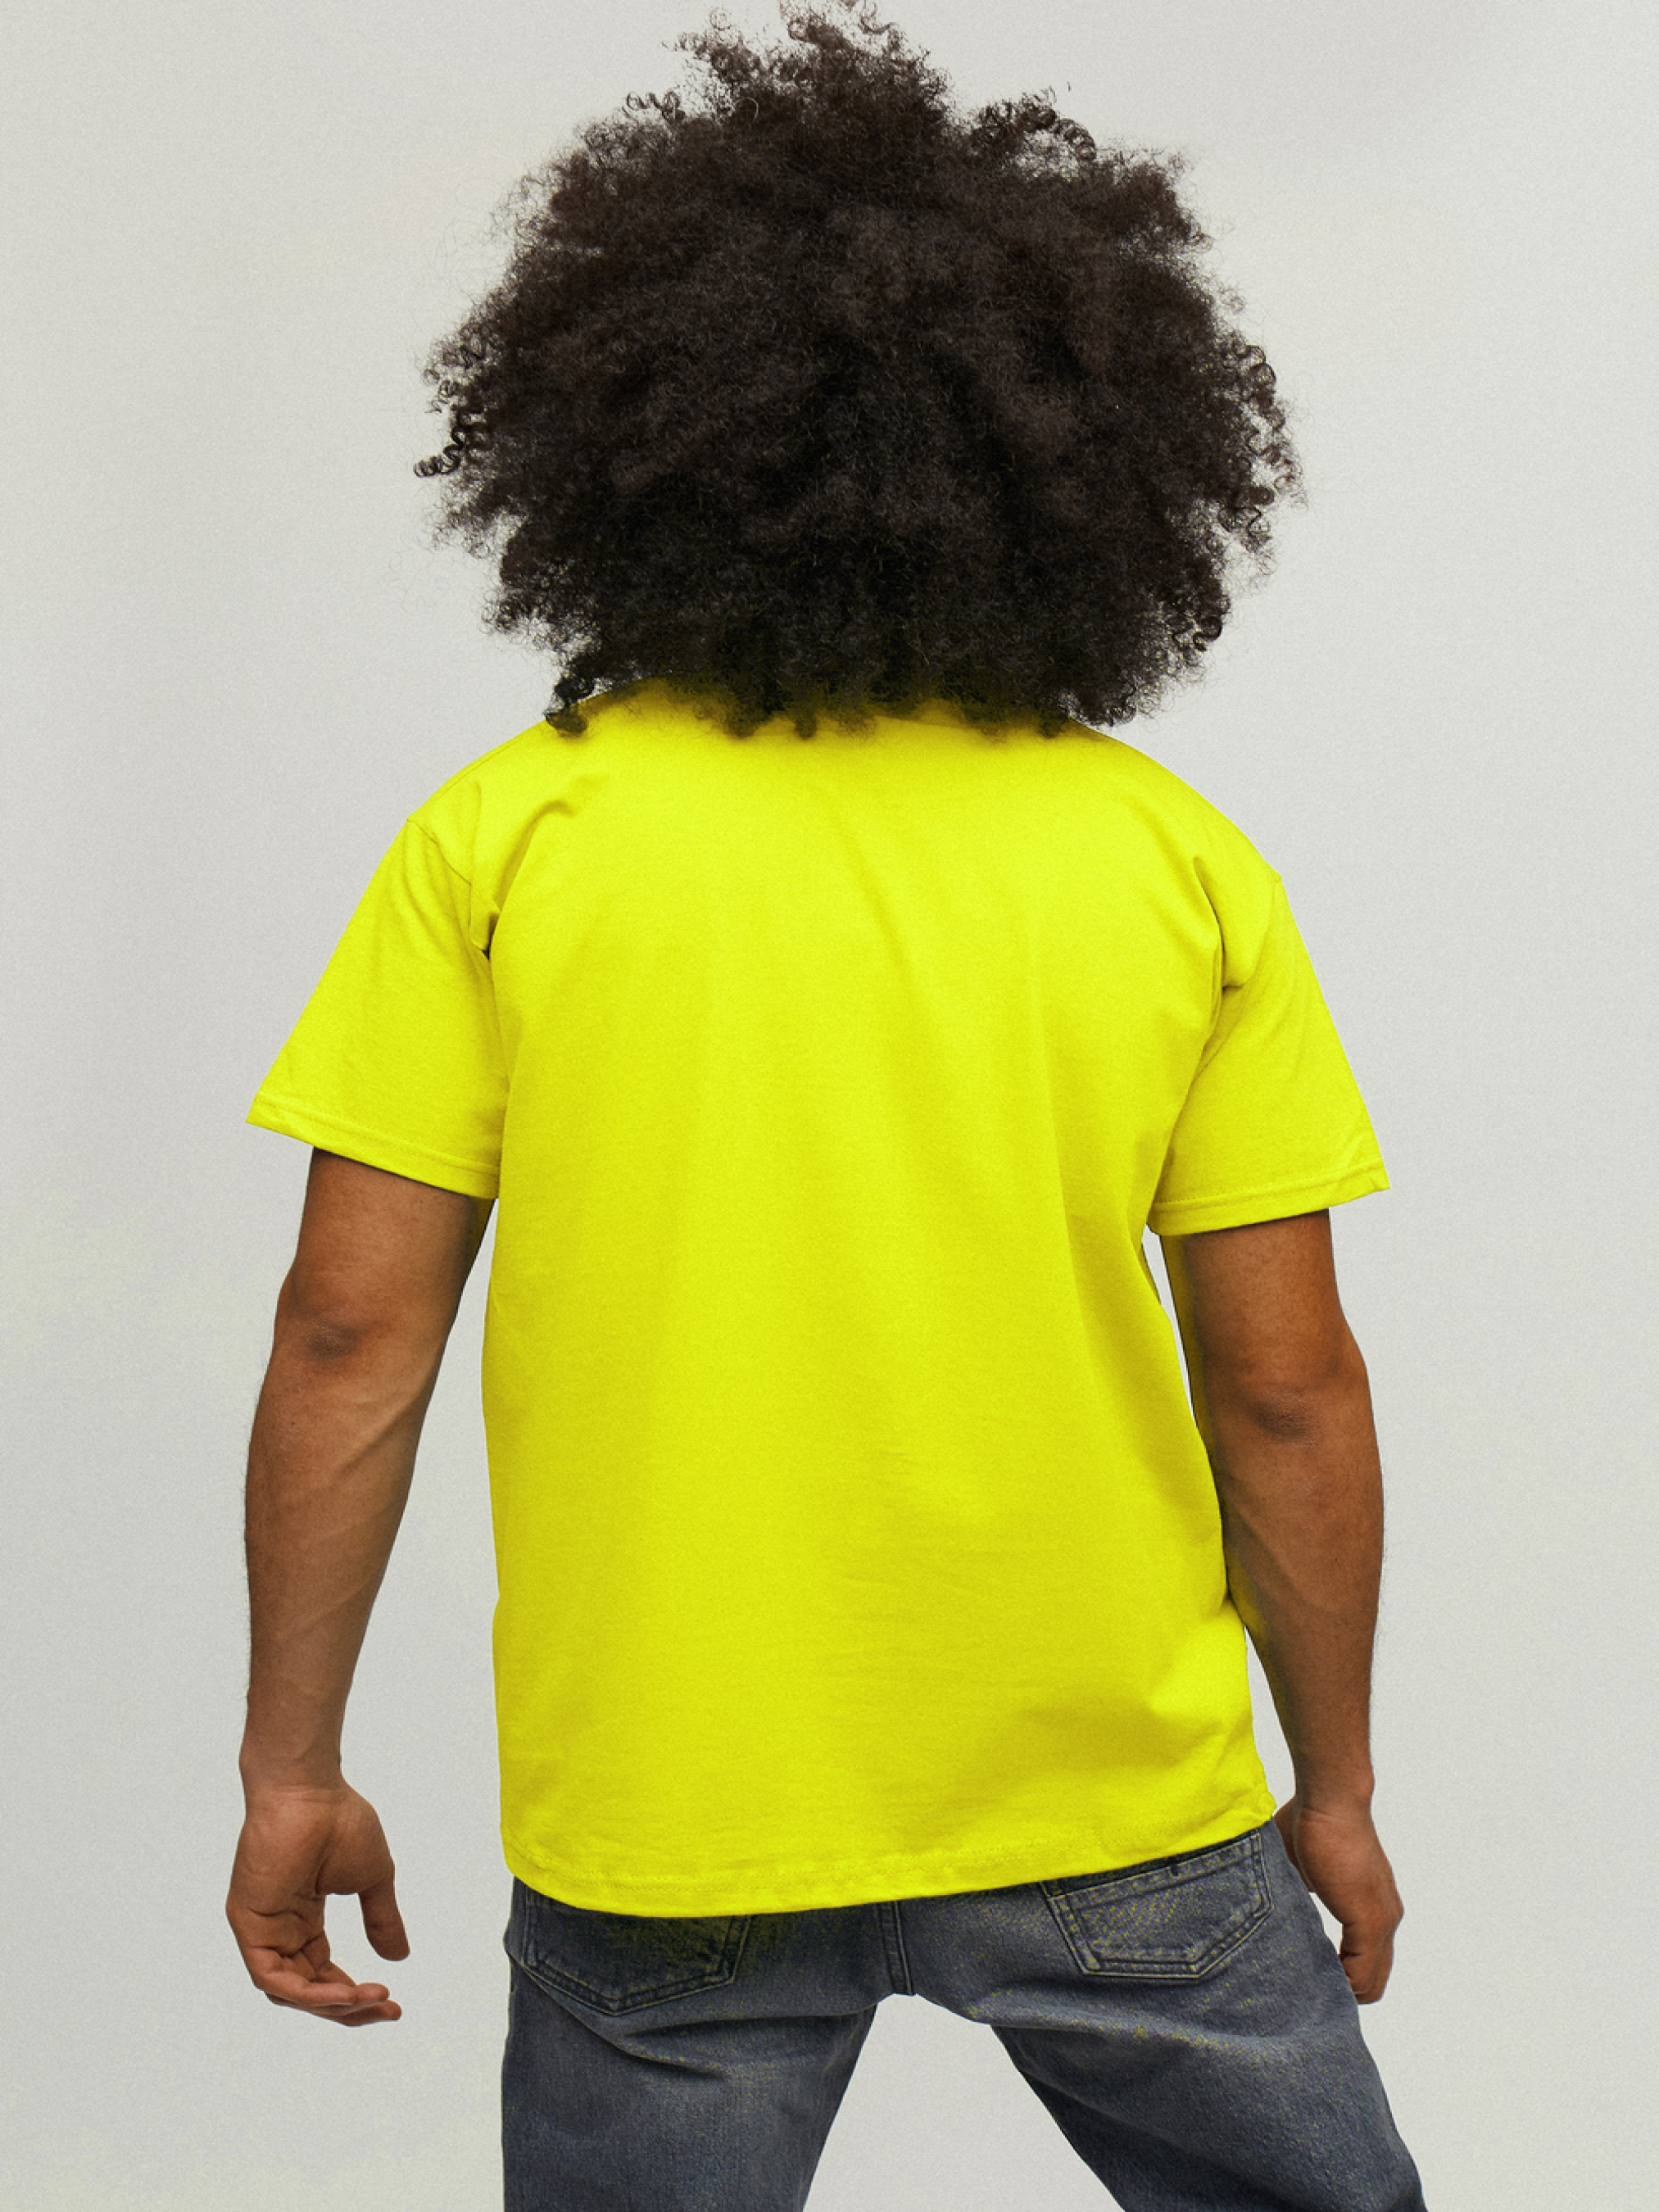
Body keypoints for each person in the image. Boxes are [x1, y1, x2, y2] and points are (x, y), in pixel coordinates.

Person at [225, 6, 1429, 2206]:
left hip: (669, 1812)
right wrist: (1332, 1782)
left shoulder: (509, 840)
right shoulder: (1165, 860)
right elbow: (1284, 1384)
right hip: (1114, 1800)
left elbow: (346, 1330)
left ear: (624, 431)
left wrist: (286, 1764)